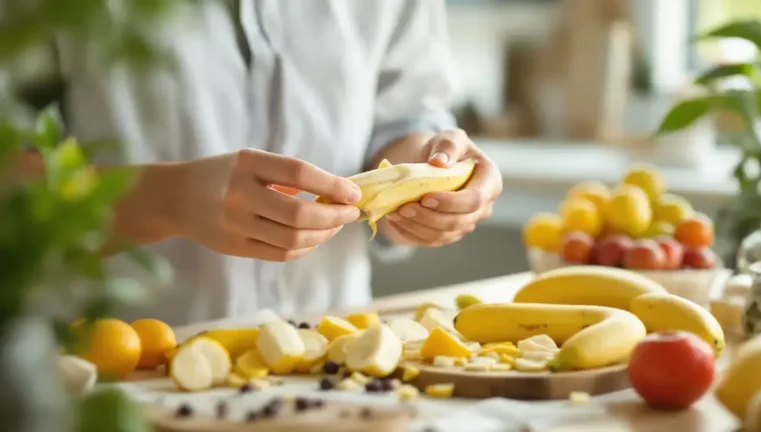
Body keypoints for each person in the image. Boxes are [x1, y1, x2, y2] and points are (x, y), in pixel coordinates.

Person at [38, 0, 502, 325]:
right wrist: (169, 200)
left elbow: (401, 114)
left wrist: (423, 175)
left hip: (331, 356)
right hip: (121, 367)